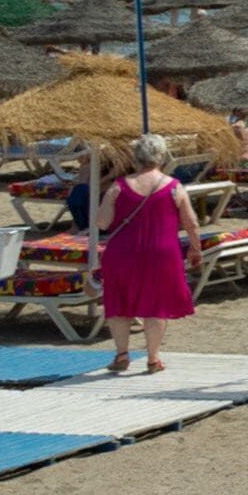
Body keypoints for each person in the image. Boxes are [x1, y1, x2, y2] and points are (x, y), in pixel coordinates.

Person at [96, 136, 200, 376]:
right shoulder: (174, 187)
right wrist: (195, 248)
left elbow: (102, 222)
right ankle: (153, 358)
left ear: (136, 158)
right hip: (161, 253)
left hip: (122, 252)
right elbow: (191, 223)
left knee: (119, 302)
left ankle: (122, 354)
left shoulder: (118, 187)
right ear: (162, 157)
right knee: (156, 304)